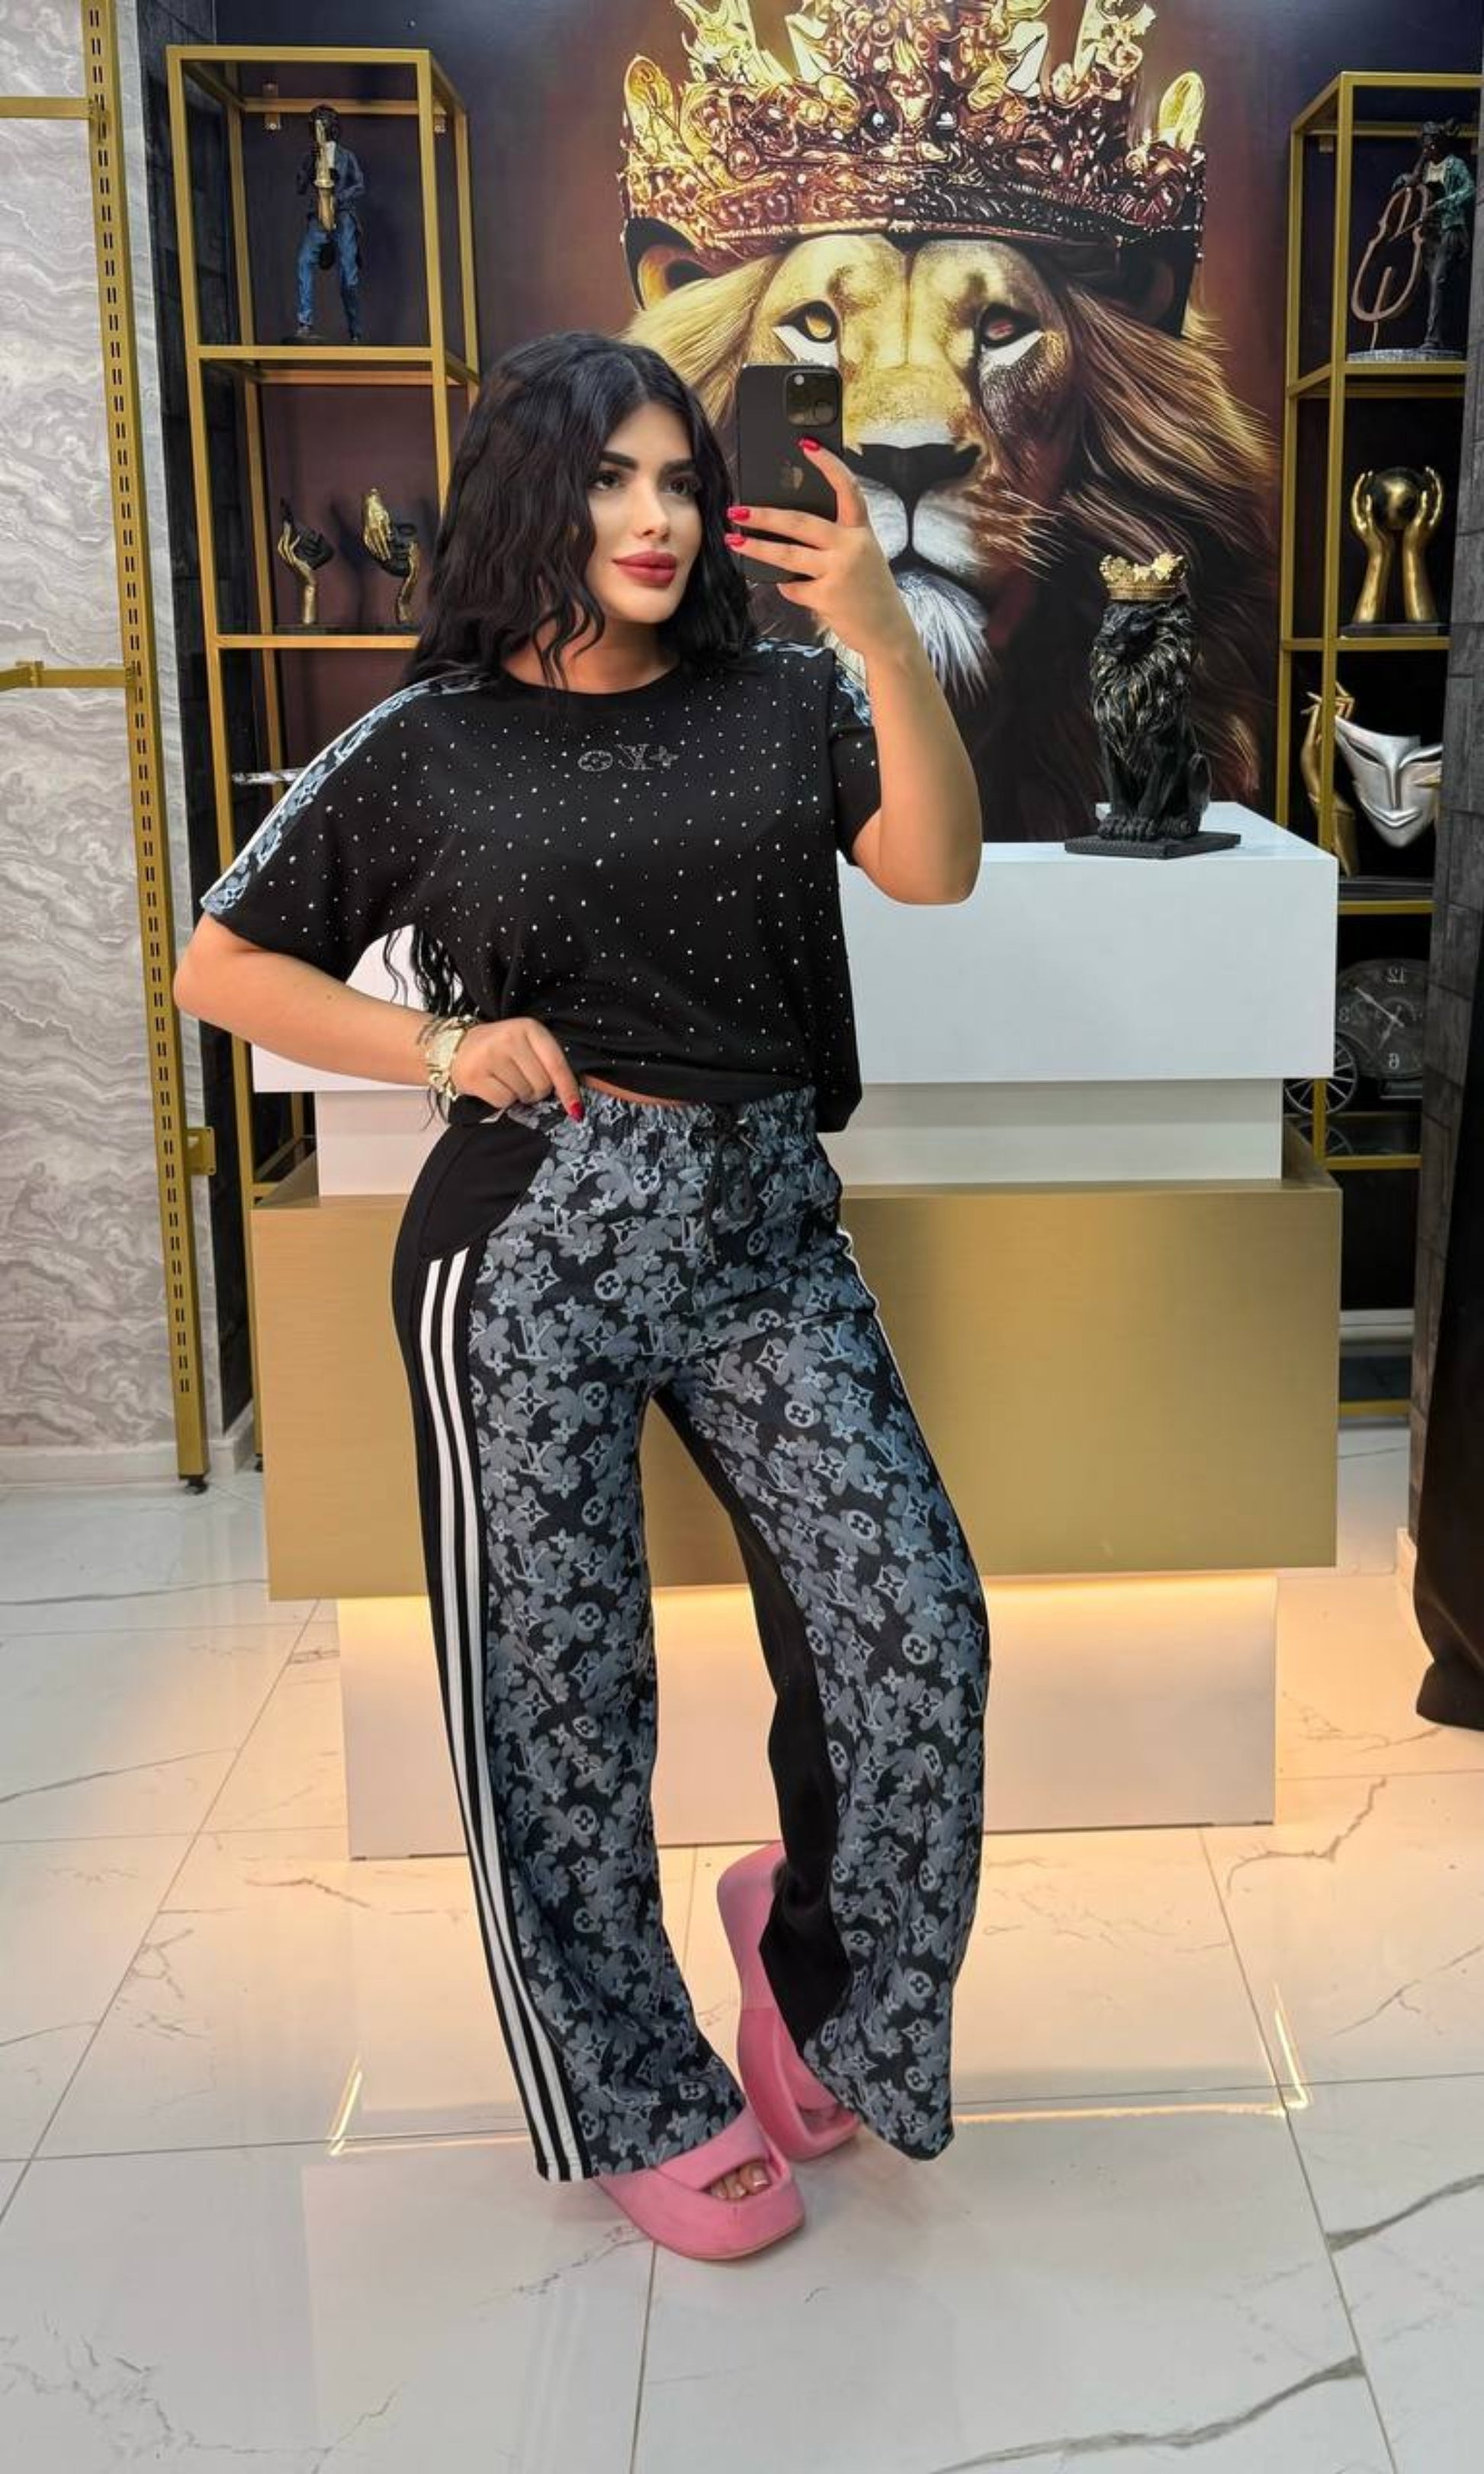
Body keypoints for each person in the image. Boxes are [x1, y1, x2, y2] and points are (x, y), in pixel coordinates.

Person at [173, 330, 991, 2263]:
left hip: (763, 1228)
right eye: (612, 477)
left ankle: (815, 1969)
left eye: (679, 479)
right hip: (529, 1238)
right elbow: (221, 961)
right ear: (534, 496)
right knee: (560, 1689)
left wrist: (883, 636)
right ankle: (631, 2085)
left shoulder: (787, 691)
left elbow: (935, 870)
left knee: (915, 1629)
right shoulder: (428, 738)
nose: (655, 516)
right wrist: (439, 1044)